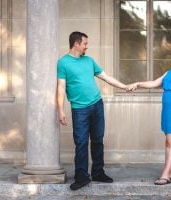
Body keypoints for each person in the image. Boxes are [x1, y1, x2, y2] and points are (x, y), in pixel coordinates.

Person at [57, 31, 132, 190]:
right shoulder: (63, 63)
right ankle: (82, 176)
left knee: (98, 140)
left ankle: (98, 172)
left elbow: (106, 77)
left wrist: (124, 86)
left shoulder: (89, 61)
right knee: (81, 143)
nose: (87, 46)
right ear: (76, 44)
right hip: (79, 109)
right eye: (85, 43)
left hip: (97, 105)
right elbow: (61, 87)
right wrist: (60, 110)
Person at [129, 44, 171, 185]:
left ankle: (165, 175)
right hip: (168, 111)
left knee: (170, 142)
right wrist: (138, 83)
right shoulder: (169, 72)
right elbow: (155, 83)